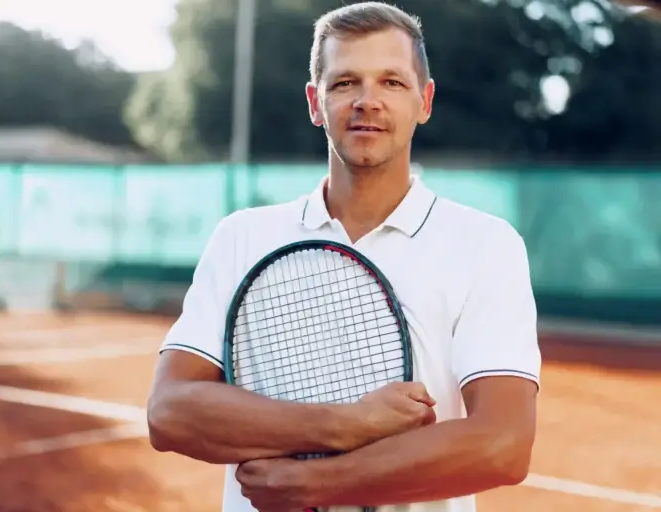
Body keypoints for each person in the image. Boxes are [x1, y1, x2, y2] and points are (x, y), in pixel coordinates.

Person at [147, 3, 541, 512]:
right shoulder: (241, 237)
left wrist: (319, 484)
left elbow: (503, 445)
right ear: (315, 102)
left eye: (392, 83)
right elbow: (170, 412)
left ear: (425, 101)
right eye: (345, 82)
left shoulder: (486, 244)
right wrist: (348, 423)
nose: (367, 101)